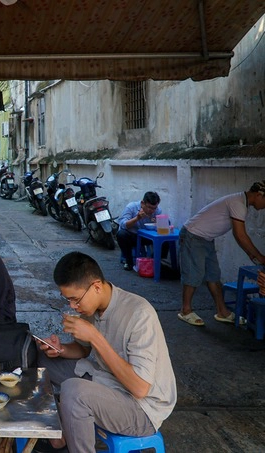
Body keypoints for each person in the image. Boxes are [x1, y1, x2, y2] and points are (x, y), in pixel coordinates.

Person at [37, 252, 176, 453]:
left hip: (142, 408)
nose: (72, 306)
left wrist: (95, 337)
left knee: (74, 392)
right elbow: (83, 349)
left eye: (75, 300)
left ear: (96, 286)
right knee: (40, 358)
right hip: (106, 381)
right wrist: (61, 349)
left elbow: (140, 388)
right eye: (68, 300)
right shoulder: (91, 308)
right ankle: (60, 438)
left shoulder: (139, 314)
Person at [177, 180, 265, 327]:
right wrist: (259, 256)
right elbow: (240, 235)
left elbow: (239, 236)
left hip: (205, 238)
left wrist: (252, 254)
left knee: (214, 275)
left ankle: (222, 311)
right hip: (193, 236)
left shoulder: (240, 202)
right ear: (259, 195)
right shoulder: (238, 204)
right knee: (194, 274)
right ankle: (185, 310)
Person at [116, 191, 165, 271]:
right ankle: (129, 261)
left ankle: (154, 261)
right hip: (132, 235)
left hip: (146, 237)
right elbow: (123, 224)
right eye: (149, 207)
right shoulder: (131, 207)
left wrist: (158, 222)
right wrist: (137, 218)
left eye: (154, 208)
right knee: (121, 234)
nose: (151, 210)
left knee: (165, 239)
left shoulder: (158, 211)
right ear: (142, 203)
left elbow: (161, 226)